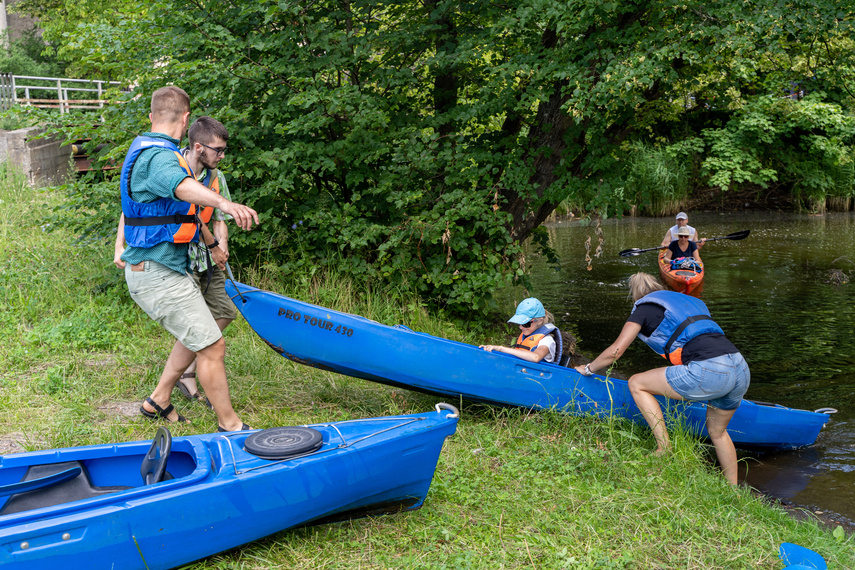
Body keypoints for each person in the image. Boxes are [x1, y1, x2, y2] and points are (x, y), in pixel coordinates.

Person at [116, 86, 258, 432]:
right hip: (154, 272)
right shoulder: (159, 157)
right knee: (212, 346)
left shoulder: (154, 150)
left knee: (201, 333)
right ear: (185, 119)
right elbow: (180, 186)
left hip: (167, 268)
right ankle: (233, 429)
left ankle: (158, 401)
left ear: (152, 116)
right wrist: (223, 203)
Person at [575, 272, 749, 484]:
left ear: (636, 296)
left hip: (709, 369)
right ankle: (733, 490)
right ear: (660, 288)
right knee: (718, 432)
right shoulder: (690, 302)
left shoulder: (643, 309)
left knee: (637, 383)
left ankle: (664, 447)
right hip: (740, 367)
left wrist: (589, 369)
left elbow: (615, 352)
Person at [480, 298, 562, 364]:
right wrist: (492, 350)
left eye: (525, 324)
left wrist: (500, 348)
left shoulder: (546, 340)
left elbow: (536, 357)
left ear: (540, 321)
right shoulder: (528, 334)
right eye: (519, 323)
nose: (521, 327)